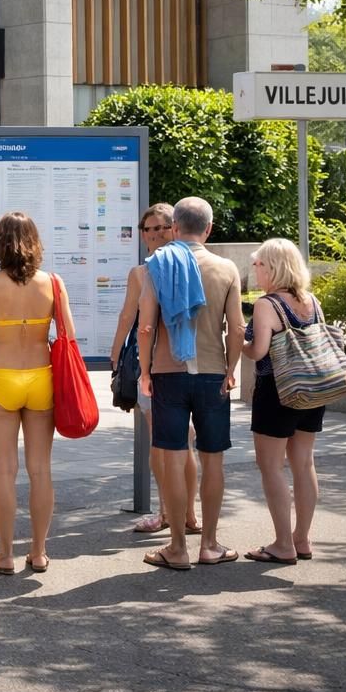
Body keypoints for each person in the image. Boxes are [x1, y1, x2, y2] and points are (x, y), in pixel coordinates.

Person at [138, 196, 245, 571]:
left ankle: (178, 548)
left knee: (172, 456)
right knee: (212, 458)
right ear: (209, 229)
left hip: (169, 372)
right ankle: (211, 544)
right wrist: (232, 368)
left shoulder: (158, 264)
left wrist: (146, 372)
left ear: (175, 228)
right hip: (214, 372)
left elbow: (147, 325)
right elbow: (237, 327)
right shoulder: (227, 268)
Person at [0, 212, 63, 575]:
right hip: (41, 376)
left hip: (1, 376)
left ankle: (4, 555)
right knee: (41, 470)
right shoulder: (53, 282)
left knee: (4, 471)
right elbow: (66, 332)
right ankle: (38, 553)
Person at [110, 203, 199, 536]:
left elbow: (131, 319)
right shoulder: (188, 265)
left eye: (163, 227)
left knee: (164, 444)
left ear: (175, 228)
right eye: (150, 228)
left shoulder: (146, 271)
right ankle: (184, 514)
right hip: (188, 365)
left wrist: (117, 353)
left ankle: (170, 514)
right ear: (142, 234)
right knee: (182, 442)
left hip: (157, 365)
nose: (157, 234)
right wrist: (116, 350)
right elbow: (125, 317)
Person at [242, 238, 326, 565]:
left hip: (277, 392)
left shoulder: (267, 304)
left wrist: (238, 339)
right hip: (312, 391)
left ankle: (282, 544)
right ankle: (302, 539)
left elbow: (258, 352)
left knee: (271, 467)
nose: (255, 269)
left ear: (273, 267)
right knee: (304, 463)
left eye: (259, 264)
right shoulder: (311, 301)